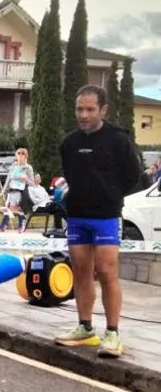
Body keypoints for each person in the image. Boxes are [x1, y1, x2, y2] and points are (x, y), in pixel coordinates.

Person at [54, 85, 142, 358]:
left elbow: (133, 176)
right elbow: (71, 175)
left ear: (103, 110)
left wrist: (110, 196)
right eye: (79, 109)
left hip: (106, 216)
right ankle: (85, 327)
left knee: (106, 271)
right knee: (81, 272)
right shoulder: (69, 143)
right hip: (78, 216)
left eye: (90, 109)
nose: (84, 115)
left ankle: (112, 333)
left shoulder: (118, 139)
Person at [0, 149, 34, 232]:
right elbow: (8, 180)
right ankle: (3, 226)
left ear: (26, 156)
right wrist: (3, 192)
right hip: (11, 190)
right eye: (18, 153)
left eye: (23, 154)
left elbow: (32, 183)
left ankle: (21, 226)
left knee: (19, 209)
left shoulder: (28, 168)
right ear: (16, 155)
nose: (20, 155)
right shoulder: (14, 166)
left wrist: (26, 179)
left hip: (21, 191)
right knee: (7, 208)